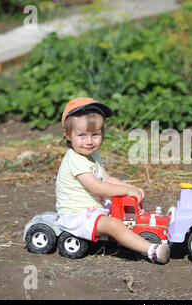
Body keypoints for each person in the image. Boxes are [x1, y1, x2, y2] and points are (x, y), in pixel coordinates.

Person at [55, 97, 170, 264]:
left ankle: (137, 236)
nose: (89, 141)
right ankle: (151, 250)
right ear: (68, 134)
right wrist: (126, 191)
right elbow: (98, 188)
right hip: (76, 214)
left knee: (126, 215)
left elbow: (107, 179)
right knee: (114, 224)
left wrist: (130, 187)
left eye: (95, 134)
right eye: (82, 135)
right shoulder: (74, 160)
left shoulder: (92, 156)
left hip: (93, 208)